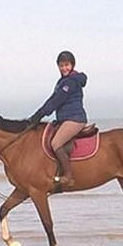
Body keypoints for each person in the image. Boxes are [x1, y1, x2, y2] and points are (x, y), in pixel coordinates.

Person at [28, 51, 88, 185]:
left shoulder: (70, 82)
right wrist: (38, 114)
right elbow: (52, 99)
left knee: (55, 143)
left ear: (72, 65)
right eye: (61, 66)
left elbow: (56, 101)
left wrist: (40, 114)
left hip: (75, 119)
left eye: (67, 65)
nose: (64, 68)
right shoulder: (62, 82)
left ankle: (68, 176)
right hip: (66, 118)